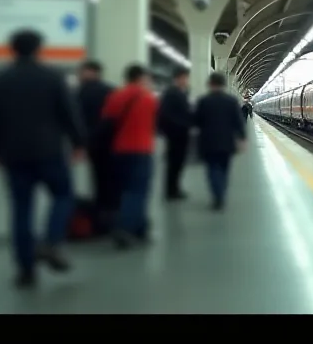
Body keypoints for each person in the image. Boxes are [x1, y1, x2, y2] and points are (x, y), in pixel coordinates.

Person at [0, 29, 85, 289]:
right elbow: (68, 113)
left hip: (13, 155)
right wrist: (78, 143)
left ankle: (26, 270)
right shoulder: (52, 77)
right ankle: (51, 241)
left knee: (21, 209)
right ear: (39, 48)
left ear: (11, 49)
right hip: (49, 152)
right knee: (63, 195)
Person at [102, 64, 158, 249]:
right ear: (141, 78)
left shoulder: (115, 96)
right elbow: (156, 123)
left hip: (119, 150)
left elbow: (107, 122)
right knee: (138, 192)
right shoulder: (149, 98)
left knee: (124, 191)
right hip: (142, 150)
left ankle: (140, 228)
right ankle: (125, 229)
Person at [193, 73, 247, 211]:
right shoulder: (231, 101)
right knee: (224, 169)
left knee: (212, 169)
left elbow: (196, 121)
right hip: (226, 142)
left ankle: (217, 196)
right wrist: (242, 138)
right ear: (223, 85)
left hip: (208, 142)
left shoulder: (203, 101)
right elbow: (238, 121)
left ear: (210, 84)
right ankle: (221, 192)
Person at [76, 61, 116, 221]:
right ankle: (111, 208)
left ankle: (102, 208)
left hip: (92, 140)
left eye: (81, 72)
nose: (79, 76)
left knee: (98, 175)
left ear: (91, 72)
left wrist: (78, 142)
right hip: (110, 140)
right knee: (111, 176)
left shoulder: (81, 92)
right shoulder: (111, 90)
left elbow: (77, 118)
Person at [157, 69, 192, 201]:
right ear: (177, 79)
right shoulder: (172, 93)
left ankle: (174, 189)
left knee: (177, 163)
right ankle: (171, 191)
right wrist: (182, 125)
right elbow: (166, 115)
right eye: (184, 78)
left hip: (179, 134)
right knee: (174, 163)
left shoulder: (179, 93)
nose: (186, 81)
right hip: (175, 134)